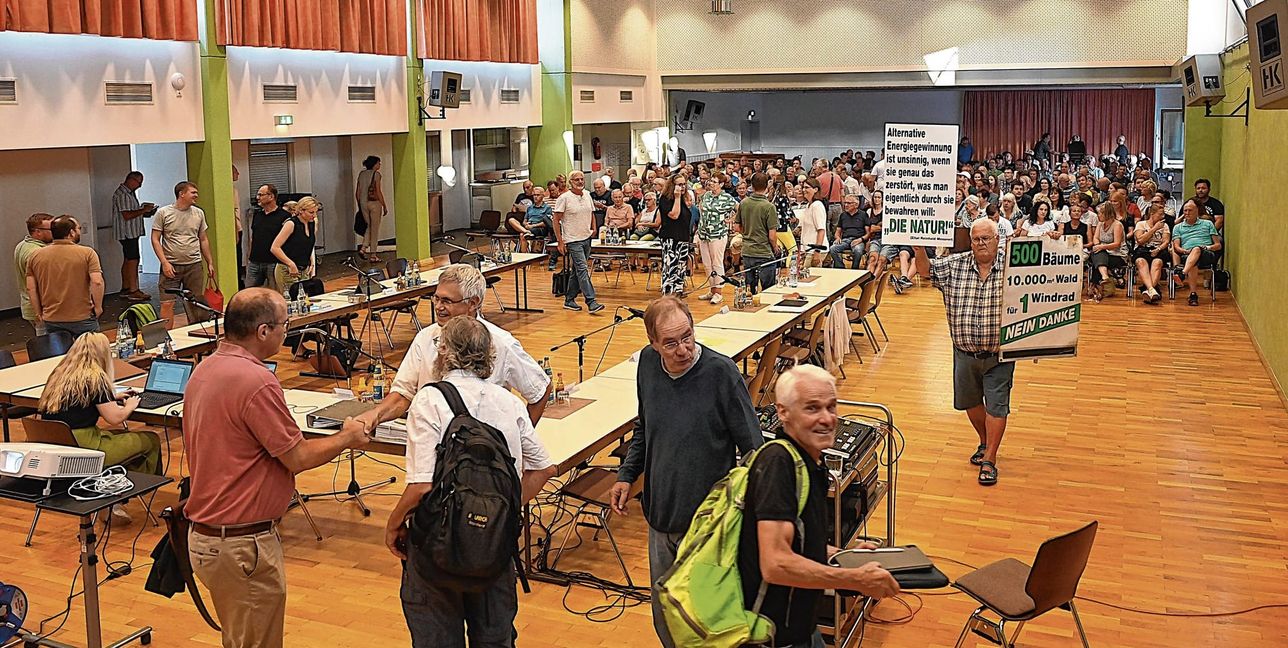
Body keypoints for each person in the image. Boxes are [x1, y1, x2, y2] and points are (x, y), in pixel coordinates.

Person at [183, 288, 369, 648]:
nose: (288, 332)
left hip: (213, 538)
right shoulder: (255, 380)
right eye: (285, 325)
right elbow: (297, 457)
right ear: (263, 331)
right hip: (241, 544)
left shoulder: (206, 367)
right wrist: (347, 437)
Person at [385, 317, 557, 648]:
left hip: (437, 546)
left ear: (444, 352)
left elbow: (421, 486)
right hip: (494, 544)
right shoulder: (508, 401)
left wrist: (392, 525)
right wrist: (501, 508)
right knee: (495, 639)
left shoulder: (429, 400)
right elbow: (544, 469)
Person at [610, 297, 762, 648]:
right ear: (652, 344)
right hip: (661, 518)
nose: (683, 349)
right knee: (666, 615)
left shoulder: (721, 373)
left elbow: (754, 450)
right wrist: (626, 474)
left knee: (705, 623)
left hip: (707, 530)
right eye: (671, 343)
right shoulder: (647, 365)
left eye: (688, 337)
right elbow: (645, 427)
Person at [739, 366, 900, 648]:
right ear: (783, 412)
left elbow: (793, 540)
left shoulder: (809, 460)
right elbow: (776, 564)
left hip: (800, 626)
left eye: (831, 406)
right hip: (771, 636)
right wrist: (853, 579)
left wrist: (840, 555)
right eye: (812, 408)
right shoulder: (778, 465)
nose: (827, 419)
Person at [356, 264, 552, 433]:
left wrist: (517, 440)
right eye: (436, 299)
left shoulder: (502, 343)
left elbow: (540, 390)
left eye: (447, 301)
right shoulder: (424, 338)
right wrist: (374, 415)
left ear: (473, 303)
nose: (438, 307)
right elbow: (403, 394)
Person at [930, 218, 1013, 486]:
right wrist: (919, 249)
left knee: (997, 406)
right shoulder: (955, 264)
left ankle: (990, 458)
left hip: (1000, 354)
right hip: (964, 352)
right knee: (970, 402)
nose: (981, 243)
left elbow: (1039, 296)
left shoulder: (1015, 267)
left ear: (997, 240)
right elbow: (924, 272)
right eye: (976, 239)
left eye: (986, 238)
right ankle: (985, 440)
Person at [26, 215, 104, 338]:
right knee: (89, 354)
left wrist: (38, 312)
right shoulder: (87, 253)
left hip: (52, 317)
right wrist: (98, 307)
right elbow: (97, 282)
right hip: (82, 316)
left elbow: (31, 288)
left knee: (59, 355)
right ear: (71, 232)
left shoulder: (36, 256)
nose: (79, 231)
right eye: (78, 228)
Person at [151, 181, 215, 323]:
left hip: (194, 265)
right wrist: (164, 263)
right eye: (193, 192)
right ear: (182, 194)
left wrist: (210, 262)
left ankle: (199, 336)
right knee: (167, 303)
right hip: (171, 266)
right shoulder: (164, 213)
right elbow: (155, 239)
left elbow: (203, 239)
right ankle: (166, 339)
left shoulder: (199, 213)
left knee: (195, 302)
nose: (196, 195)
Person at [552, 170, 605, 313]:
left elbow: (591, 213)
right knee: (582, 269)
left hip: (586, 237)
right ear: (571, 182)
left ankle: (569, 300)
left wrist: (594, 228)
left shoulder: (587, 194)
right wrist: (560, 241)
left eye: (582, 179)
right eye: (577, 180)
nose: (580, 182)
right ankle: (591, 301)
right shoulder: (564, 198)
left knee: (577, 271)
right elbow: (556, 220)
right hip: (572, 239)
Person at [110, 171, 154, 302]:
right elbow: (126, 215)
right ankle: (133, 290)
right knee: (133, 260)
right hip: (127, 233)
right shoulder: (123, 194)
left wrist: (144, 211)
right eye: (138, 182)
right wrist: (143, 210)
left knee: (128, 259)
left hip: (129, 232)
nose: (139, 186)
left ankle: (126, 287)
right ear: (131, 180)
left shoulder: (128, 193)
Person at [735, 173, 782, 293]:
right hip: (764, 252)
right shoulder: (769, 207)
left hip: (747, 252)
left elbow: (737, 227)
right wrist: (775, 247)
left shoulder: (744, 203)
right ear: (766, 187)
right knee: (768, 290)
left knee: (750, 290)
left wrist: (748, 235)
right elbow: (772, 236)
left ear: (752, 186)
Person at [1170, 199, 1222, 307]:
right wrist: (1184, 251)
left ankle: (1182, 274)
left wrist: (1207, 247)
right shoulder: (1177, 227)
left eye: (1190, 210)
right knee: (1193, 261)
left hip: (1207, 253)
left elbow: (1218, 245)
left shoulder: (1207, 224)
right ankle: (1193, 295)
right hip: (1187, 254)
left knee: (1197, 249)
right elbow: (1176, 247)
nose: (1187, 213)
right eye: (1185, 210)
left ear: (1197, 211)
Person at [696, 173, 736, 303]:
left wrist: (732, 219)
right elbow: (702, 212)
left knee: (716, 262)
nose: (711, 183)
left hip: (718, 234)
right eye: (710, 181)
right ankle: (711, 289)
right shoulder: (706, 195)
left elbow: (739, 209)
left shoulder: (727, 197)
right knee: (707, 264)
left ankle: (719, 292)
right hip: (704, 233)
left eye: (714, 181)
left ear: (721, 184)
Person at [269, 196, 320, 295]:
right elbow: (275, 247)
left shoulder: (312, 223)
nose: (314, 215)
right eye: (311, 212)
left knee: (305, 299)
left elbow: (308, 246)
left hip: (303, 269)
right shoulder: (291, 224)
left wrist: (311, 262)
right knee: (292, 300)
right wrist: (290, 263)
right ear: (301, 211)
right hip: (287, 269)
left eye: (315, 212)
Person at [245, 184, 290, 291]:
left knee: (274, 292)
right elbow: (253, 237)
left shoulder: (284, 216)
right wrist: (249, 256)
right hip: (255, 261)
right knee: (249, 292)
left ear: (271, 196)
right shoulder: (258, 215)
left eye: (261, 195)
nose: (257, 197)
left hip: (274, 262)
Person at [655, 174, 694, 296]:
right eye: (679, 184)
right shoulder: (665, 199)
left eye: (684, 184)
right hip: (670, 238)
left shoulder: (683, 200)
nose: (682, 187)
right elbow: (674, 215)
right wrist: (677, 198)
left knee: (681, 267)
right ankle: (668, 293)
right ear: (672, 185)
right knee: (670, 267)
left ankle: (678, 292)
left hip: (682, 238)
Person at [14, 213, 53, 335]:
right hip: (41, 307)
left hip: (29, 304)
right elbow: (43, 283)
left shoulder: (22, 245)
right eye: (51, 229)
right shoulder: (37, 253)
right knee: (49, 345)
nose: (55, 232)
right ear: (38, 232)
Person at [1132, 204, 1171, 304]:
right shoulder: (1141, 224)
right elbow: (1140, 240)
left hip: (1159, 250)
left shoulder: (1165, 226)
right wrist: (1154, 229)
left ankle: (1149, 290)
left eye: (1163, 215)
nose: (1163, 217)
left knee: (1157, 262)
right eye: (1160, 214)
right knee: (1140, 262)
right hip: (1142, 250)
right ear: (1152, 214)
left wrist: (1158, 249)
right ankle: (1152, 290)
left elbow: (1166, 241)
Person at [1088, 203, 1127, 299]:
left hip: (1117, 254)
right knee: (1098, 255)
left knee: (1096, 261)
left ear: (1107, 214)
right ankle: (1105, 279)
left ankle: (1095, 287)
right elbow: (1095, 238)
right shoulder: (1100, 224)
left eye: (1100, 213)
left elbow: (1116, 244)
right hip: (1103, 253)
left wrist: (1101, 247)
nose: (1098, 216)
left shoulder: (1117, 225)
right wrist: (1098, 246)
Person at [356, 155, 388, 262]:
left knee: (368, 226)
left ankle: (363, 248)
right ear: (374, 164)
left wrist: (359, 205)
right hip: (374, 203)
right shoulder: (377, 175)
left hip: (363, 203)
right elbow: (378, 191)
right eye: (379, 163)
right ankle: (373, 254)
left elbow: (358, 192)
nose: (380, 165)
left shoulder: (361, 174)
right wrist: (384, 205)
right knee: (374, 228)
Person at [797, 178, 829, 269]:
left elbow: (821, 230)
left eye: (807, 187)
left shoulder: (817, 205)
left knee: (809, 278)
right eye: (803, 187)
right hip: (808, 249)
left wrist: (817, 251)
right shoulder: (808, 205)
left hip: (815, 250)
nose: (803, 190)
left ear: (815, 189)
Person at [828, 196, 866, 269]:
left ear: (856, 205)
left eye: (848, 203)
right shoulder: (843, 215)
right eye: (845, 203)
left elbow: (868, 233)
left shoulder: (863, 215)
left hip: (858, 240)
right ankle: (841, 268)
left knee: (858, 250)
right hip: (845, 240)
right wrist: (838, 237)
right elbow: (838, 231)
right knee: (833, 248)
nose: (846, 205)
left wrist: (861, 239)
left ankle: (854, 269)